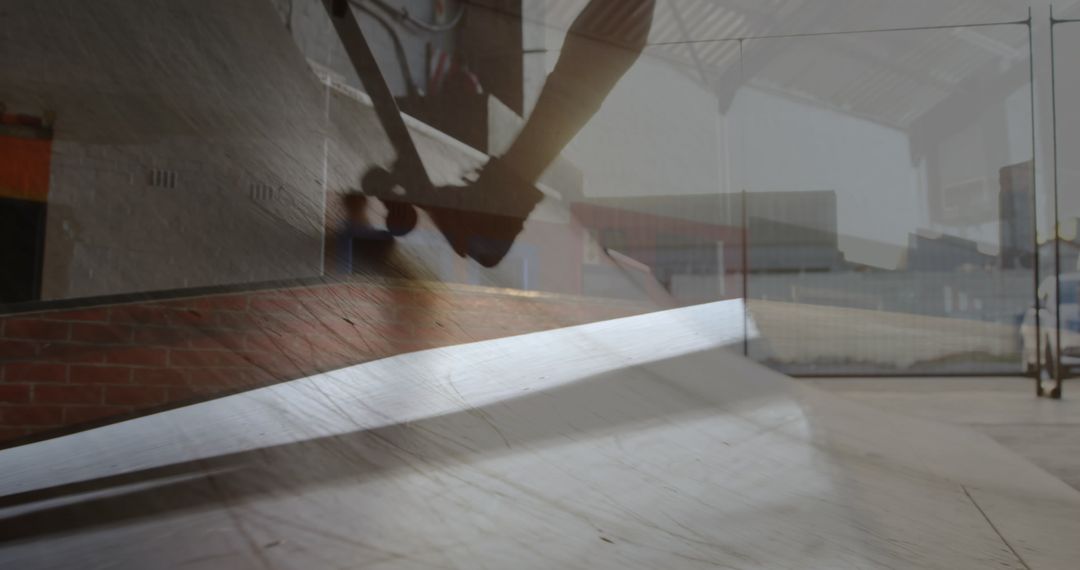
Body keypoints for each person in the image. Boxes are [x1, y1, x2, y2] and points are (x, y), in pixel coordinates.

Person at [423, 0, 656, 267]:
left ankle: (489, 219)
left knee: (563, 101)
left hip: (616, 22)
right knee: (562, 102)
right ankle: (491, 219)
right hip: (618, 27)